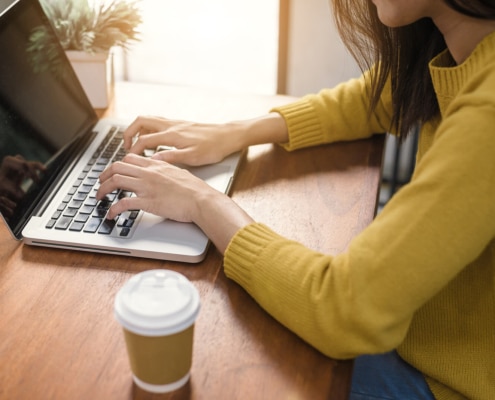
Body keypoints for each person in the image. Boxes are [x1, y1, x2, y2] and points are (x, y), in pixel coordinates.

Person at [97, 0, 495, 398]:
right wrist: (235, 132)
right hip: (417, 333)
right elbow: (378, 96)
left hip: (446, 383)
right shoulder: (461, 46)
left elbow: (345, 309)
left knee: (220, 367)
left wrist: (203, 202)